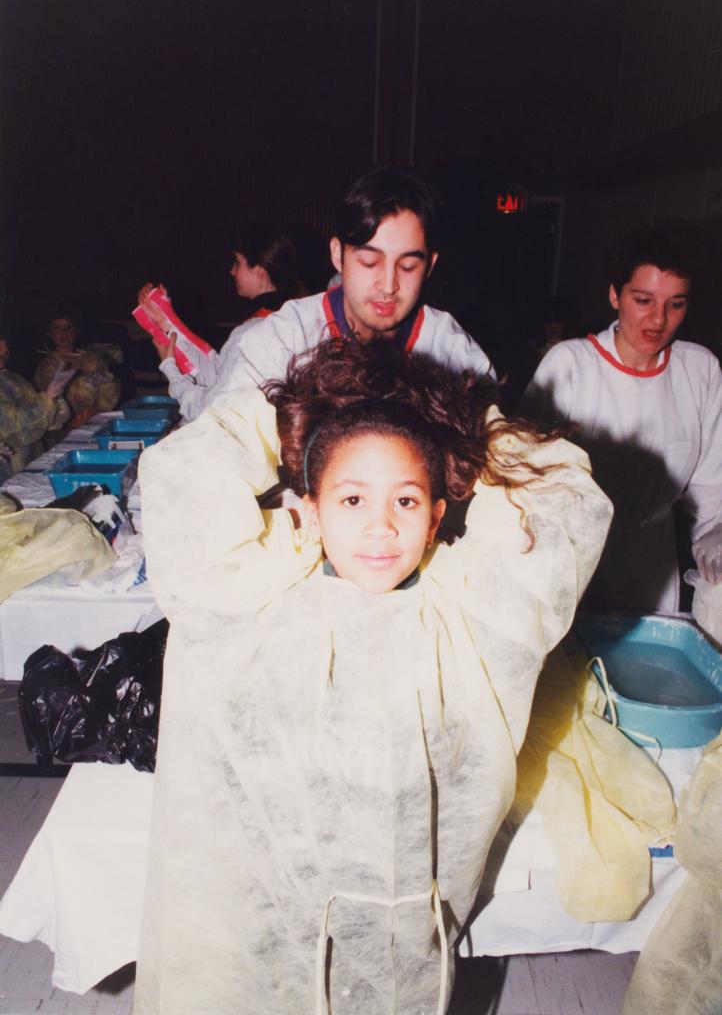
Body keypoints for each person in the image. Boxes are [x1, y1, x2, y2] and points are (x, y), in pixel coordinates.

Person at [134, 337, 611, 1014]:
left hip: (401, 919)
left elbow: (563, 496)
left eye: (407, 502)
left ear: (438, 517)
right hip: (277, 911)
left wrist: (472, 423)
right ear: (311, 506)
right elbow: (181, 476)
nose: (381, 527)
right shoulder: (263, 603)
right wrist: (283, 418)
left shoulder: (468, 612)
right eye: (353, 500)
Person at [173, 166, 496, 414]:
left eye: (408, 266)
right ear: (337, 254)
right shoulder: (284, 339)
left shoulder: (451, 349)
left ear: (430, 265)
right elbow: (218, 440)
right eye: (370, 261)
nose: (388, 285)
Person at [521, 223, 722, 612]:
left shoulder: (699, 369)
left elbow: (712, 483)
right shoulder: (572, 364)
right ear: (615, 295)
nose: (659, 319)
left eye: (675, 304)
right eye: (643, 300)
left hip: (654, 567)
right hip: (576, 563)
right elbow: (526, 477)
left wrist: (716, 532)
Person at [137, 223, 303, 420]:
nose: (232, 271)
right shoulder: (284, 320)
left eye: (237, 263)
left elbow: (211, 408)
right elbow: (220, 374)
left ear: (259, 272)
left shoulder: (254, 333)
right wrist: (165, 322)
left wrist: (170, 370)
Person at [0, 324, 70, 481]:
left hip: (32, 467)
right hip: (10, 479)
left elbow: (54, 421)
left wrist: (54, 398)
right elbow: (15, 428)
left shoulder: (13, 379)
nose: (4, 348)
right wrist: (48, 399)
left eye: (4, 342)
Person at [34, 312, 121, 430]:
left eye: (68, 327)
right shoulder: (48, 363)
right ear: (49, 333)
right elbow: (52, 400)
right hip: (67, 425)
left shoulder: (90, 358)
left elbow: (110, 388)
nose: (63, 332)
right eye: (57, 328)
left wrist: (96, 410)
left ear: (76, 331)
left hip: (96, 418)